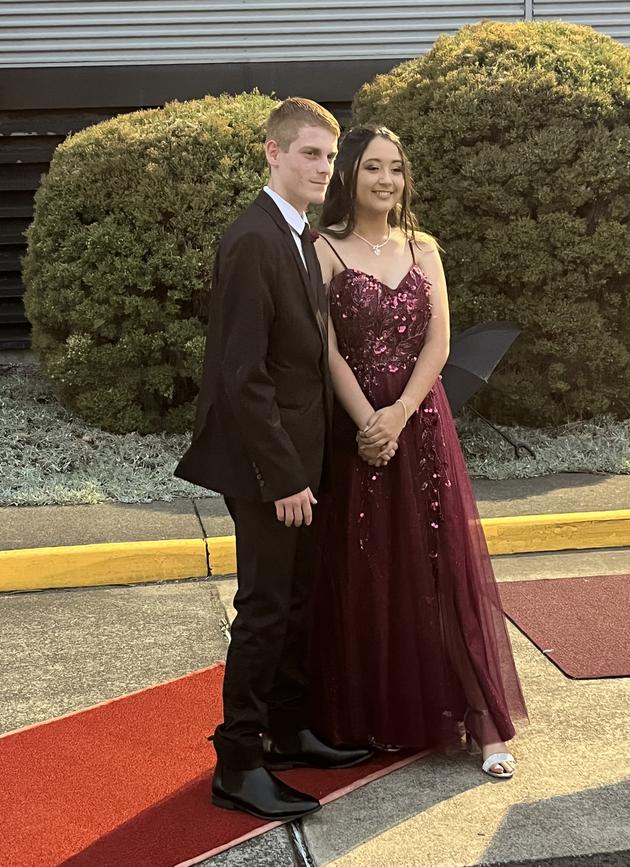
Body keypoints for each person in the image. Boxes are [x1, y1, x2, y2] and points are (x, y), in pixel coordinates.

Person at [308, 124, 528, 779]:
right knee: (369, 569)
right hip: (357, 432)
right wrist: (368, 424)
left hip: (421, 423)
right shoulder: (321, 249)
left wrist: (399, 415)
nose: (386, 179)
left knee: (442, 568)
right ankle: (376, 715)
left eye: (395, 169)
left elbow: (439, 344)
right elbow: (325, 350)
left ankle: (482, 722)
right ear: (348, 174)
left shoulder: (422, 246)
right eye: (373, 167)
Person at [175, 99, 370, 822]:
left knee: (295, 600)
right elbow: (240, 373)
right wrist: (285, 474)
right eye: (309, 154)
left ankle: (288, 733)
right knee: (263, 609)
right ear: (272, 154)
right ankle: (239, 762)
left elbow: (301, 364)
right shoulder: (254, 239)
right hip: (267, 468)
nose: (324, 167)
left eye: (328, 156)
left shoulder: (297, 235)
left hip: (300, 459)